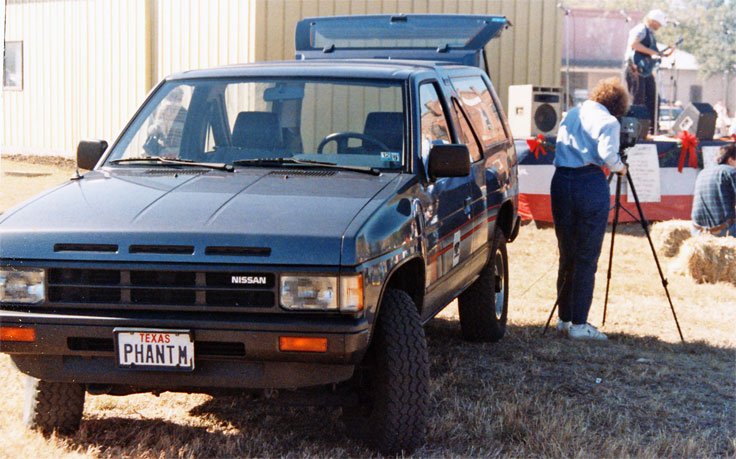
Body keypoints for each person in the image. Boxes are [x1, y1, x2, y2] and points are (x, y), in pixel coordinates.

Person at [552, 78, 629, 341]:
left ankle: (564, 319)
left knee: (567, 253)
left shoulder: (572, 113)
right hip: (588, 182)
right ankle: (579, 323)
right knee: (586, 256)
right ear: (617, 105)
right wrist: (620, 167)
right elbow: (608, 155)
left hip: (561, 181)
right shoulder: (609, 122)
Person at [624, 9, 673, 134]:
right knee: (638, 98)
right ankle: (634, 130)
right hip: (634, 68)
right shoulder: (640, 29)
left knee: (653, 98)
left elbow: (651, 52)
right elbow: (634, 44)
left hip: (645, 70)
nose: (659, 26)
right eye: (658, 23)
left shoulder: (650, 34)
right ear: (652, 21)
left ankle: (651, 128)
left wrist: (665, 53)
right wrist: (655, 53)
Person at [691, 144, 736, 237]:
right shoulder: (732, 172)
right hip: (723, 231)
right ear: (731, 160)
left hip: (697, 231)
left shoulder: (703, 172)